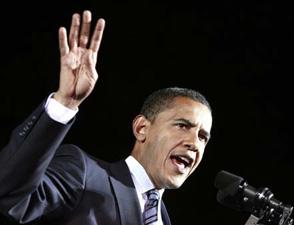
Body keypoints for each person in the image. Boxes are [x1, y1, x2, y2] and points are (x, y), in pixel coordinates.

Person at [0, 10, 212, 225]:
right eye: (183, 125)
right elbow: (11, 198)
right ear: (141, 128)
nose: (194, 143)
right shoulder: (85, 175)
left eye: (203, 137)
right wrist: (64, 103)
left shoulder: (164, 220)